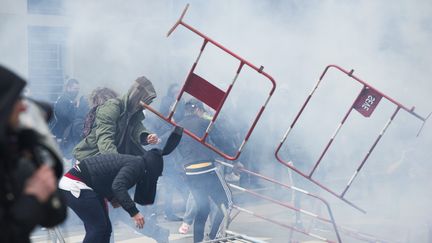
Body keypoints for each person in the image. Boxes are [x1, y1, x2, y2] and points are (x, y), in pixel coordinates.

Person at [59, 126, 183, 243]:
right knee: (98, 228)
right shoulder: (136, 166)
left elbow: (107, 180)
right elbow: (118, 186)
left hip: (85, 186)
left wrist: (113, 198)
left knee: (106, 229)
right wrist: (134, 212)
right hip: (76, 185)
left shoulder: (136, 163)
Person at [0, 65, 67, 243]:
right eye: (16, 100)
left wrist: (35, 146)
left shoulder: (13, 154)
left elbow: (54, 214)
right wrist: (32, 197)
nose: (23, 108)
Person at [176, 99, 233, 242]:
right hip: (208, 170)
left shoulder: (178, 126)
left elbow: (169, 145)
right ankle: (214, 237)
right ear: (198, 111)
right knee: (227, 204)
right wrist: (234, 159)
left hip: (190, 173)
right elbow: (222, 140)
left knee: (203, 209)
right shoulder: (204, 123)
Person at [73, 76, 159, 160]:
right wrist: (118, 161)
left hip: (111, 156)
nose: (145, 106)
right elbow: (105, 140)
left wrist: (147, 136)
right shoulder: (112, 107)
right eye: (145, 101)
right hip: (92, 157)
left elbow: (137, 127)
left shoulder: (131, 111)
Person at [49, 78, 81, 159]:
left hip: (65, 138)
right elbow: (70, 117)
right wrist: (77, 108)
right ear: (68, 88)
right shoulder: (63, 101)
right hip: (61, 138)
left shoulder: (69, 100)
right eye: (75, 89)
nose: (77, 91)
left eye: (78, 89)